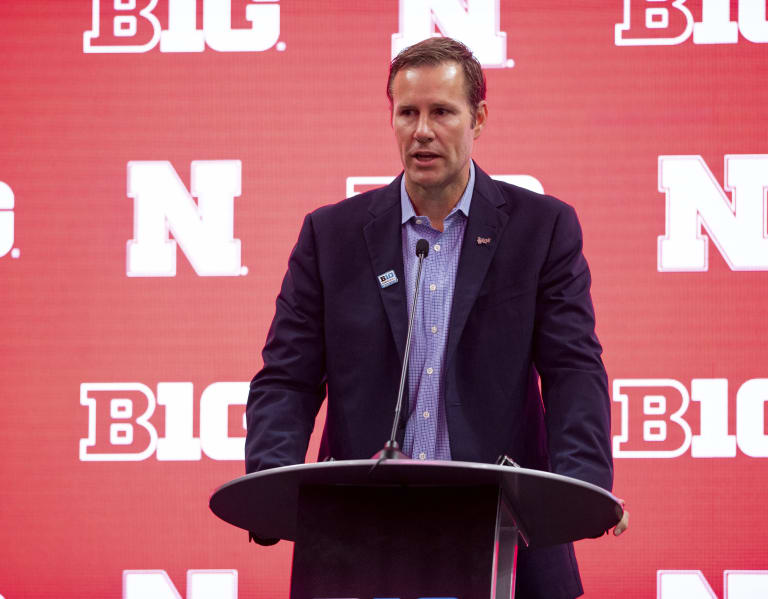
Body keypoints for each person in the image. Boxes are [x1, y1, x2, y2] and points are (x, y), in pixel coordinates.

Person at [246, 37, 625, 599]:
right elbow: (287, 377)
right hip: (358, 533)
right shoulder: (332, 236)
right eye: (408, 113)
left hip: (500, 530)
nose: (422, 130)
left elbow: (573, 369)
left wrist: (581, 487)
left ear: (480, 119)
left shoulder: (540, 229)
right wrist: (270, 487)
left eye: (442, 112)